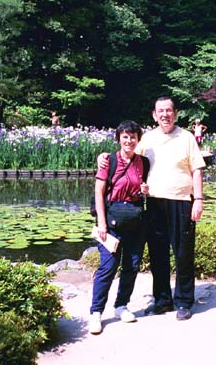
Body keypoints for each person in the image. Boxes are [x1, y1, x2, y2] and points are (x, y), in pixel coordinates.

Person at [98, 97, 206, 321]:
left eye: (169, 110)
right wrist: (103, 157)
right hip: (154, 203)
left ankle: (184, 301)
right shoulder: (147, 139)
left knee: (183, 253)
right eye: (160, 111)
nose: (165, 114)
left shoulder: (186, 138)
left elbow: (197, 170)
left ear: (175, 113)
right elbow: (126, 152)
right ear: (154, 115)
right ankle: (163, 300)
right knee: (158, 255)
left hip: (182, 202)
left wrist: (199, 199)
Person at [89, 120, 150, 335]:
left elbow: (143, 191)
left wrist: (144, 190)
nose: (129, 140)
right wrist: (101, 223)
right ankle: (96, 312)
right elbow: (99, 192)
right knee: (108, 266)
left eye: (133, 137)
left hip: (135, 220)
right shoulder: (109, 161)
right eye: (125, 136)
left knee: (132, 265)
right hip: (112, 221)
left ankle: (121, 305)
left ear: (138, 140)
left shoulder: (143, 162)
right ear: (118, 139)